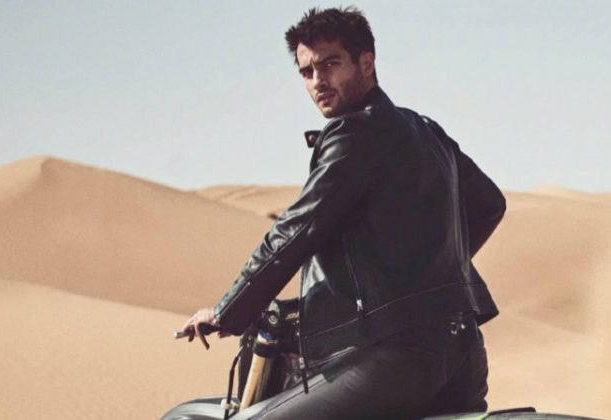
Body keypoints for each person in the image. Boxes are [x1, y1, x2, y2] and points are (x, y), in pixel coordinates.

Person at [177, 6, 506, 419]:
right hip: (463, 353)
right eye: (306, 71)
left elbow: (295, 232)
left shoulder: (354, 133)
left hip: (396, 358)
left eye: (330, 64)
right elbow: (489, 204)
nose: (318, 81)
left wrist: (228, 311)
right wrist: (421, 271)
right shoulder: (425, 130)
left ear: (366, 62)